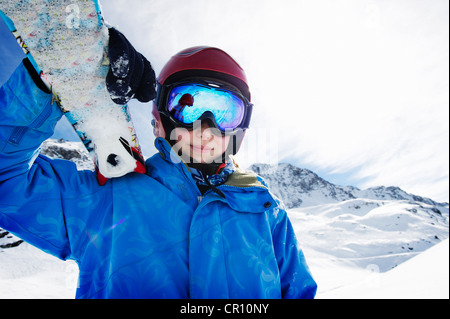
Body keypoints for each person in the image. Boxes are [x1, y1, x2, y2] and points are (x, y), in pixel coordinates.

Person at [0, 28, 317, 299]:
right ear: (159, 119)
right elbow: (6, 183)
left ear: (241, 126)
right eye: (187, 106)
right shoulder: (104, 199)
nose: (205, 128)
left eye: (224, 112)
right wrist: (48, 79)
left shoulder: (267, 212)